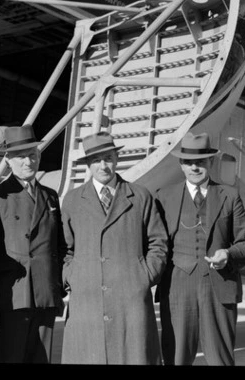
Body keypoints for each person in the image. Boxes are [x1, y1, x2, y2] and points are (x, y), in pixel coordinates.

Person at [60, 132, 168, 365]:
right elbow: (65, 249)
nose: (103, 165)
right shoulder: (72, 200)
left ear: (117, 159)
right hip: (87, 298)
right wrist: (72, 276)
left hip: (130, 297)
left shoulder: (140, 196)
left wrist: (144, 275)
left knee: (134, 355)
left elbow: (158, 242)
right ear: (88, 164)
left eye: (108, 158)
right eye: (97, 160)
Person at [155, 132, 245, 365]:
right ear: (181, 165)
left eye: (200, 162)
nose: (195, 167)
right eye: (189, 162)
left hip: (219, 286)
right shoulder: (163, 197)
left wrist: (228, 254)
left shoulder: (230, 196)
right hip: (177, 288)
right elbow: (156, 245)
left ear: (211, 162)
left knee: (221, 358)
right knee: (175, 357)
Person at [0, 125, 65, 363]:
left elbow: (58, 247)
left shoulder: (50, 196)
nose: (28, 161)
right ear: (8, 159)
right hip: (10, 298)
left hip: (44, 296)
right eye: (20, 156)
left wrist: (59, 290)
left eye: (33, 154)